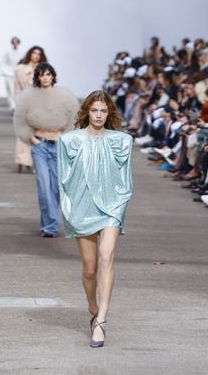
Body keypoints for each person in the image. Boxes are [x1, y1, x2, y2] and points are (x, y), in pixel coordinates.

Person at [57, 89, 134, 349]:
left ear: (108, 113)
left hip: (112, 205)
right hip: (82, 205)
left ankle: (101, 321)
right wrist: (68, 210)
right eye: (94, 110)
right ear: (86, 112)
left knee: (106, 257)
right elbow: (63, 180)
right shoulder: (70, 141)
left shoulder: (121, 141)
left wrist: (121, 204)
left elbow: (126, 178)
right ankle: (93, 306)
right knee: (90, 269)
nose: (99, 115)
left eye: (103, 111)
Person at [14, 62, 78, 237]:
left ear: (53, 76)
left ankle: (51, 221)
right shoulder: (28, 97)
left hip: (59, 145)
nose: (45, 78)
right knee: (43, 185)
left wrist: (66, 138)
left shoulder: (65, 97)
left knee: (57, 187)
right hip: (39, 145)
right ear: (38, 77)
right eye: (42, 75)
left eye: (48, 74)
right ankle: (50, 226)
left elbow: (74, 119)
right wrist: (31, 138)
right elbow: (20, 119)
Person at [12, 45, 46, 173]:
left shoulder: (44, 69)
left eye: (39, 54)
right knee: (23, 133)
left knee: (39, 134)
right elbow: (16, 88)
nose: (36, 56)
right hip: (24, 103)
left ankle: (36, 162)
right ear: (29, 54)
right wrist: (17, 103)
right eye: (34, 53)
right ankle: (22, 160)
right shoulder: (20, 69)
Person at [0, 36, 21, 112]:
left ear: (18, 43)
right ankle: (12, 107)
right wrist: (3, 72)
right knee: (10, 90)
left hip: (18, 74)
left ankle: (17, 106)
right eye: (13, 42)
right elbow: (2, 62)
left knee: (18, 91)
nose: (15, 43)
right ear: (12, 43)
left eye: (16, 42)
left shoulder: (21, 53)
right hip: (8, 74)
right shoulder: (8, 52)